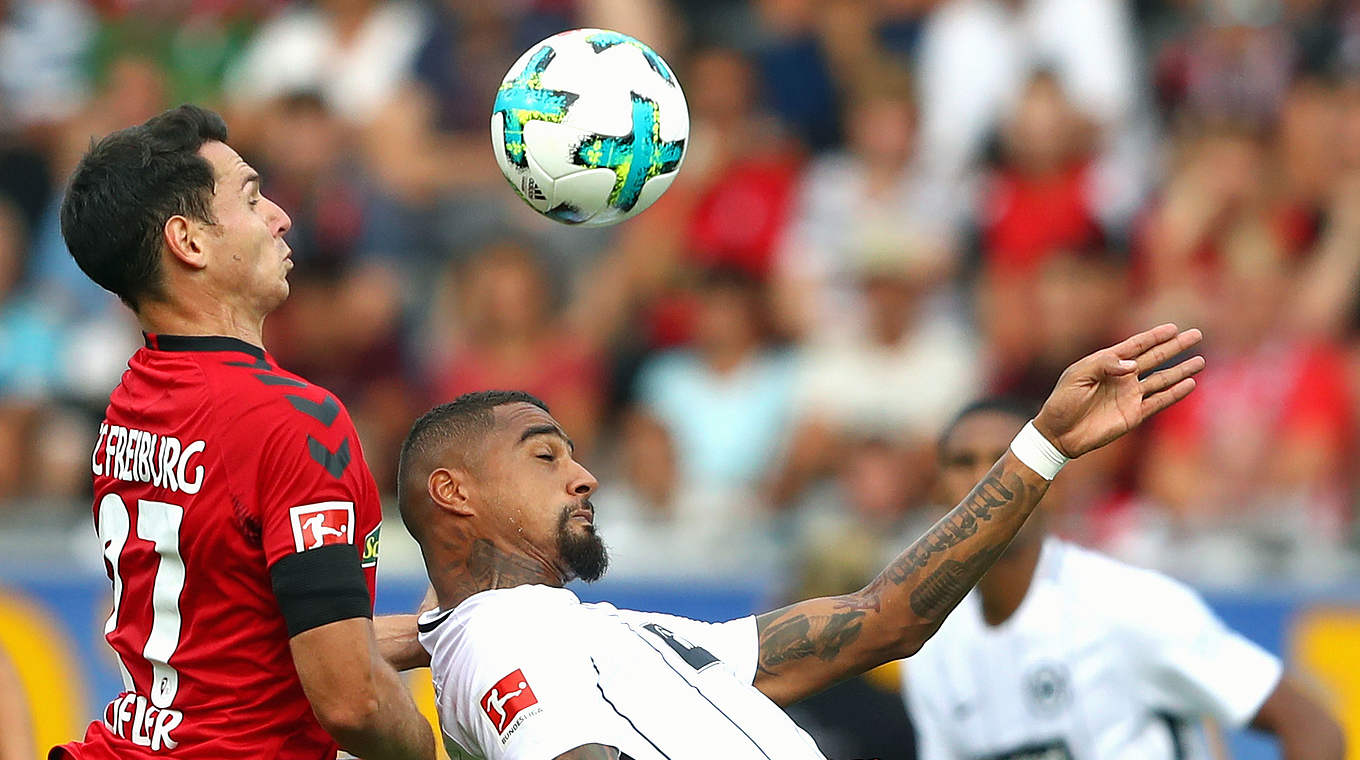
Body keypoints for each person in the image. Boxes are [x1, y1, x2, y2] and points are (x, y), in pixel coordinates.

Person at [397, 323, 1206, 759]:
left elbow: (886, 617)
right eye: (546, 456)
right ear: (453, 493)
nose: (585, 476)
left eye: (574, 453)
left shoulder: (628, 636)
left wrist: (1043, 446)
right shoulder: (497, 634)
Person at [50, 105, 433, 760]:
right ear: (189, 241)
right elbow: (352, 700)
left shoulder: (134, 398)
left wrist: (439, 630)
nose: (282, 217)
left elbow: (253, 642)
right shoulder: (294, 424)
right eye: (253, 199)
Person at [904, 398, 1346, 760]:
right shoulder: (928, 645)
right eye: (963, 462)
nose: (987, 480)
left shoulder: (1126, 604)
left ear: (1052, 483)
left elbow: (1313, 729)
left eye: (1006, 460)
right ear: (937, 488)